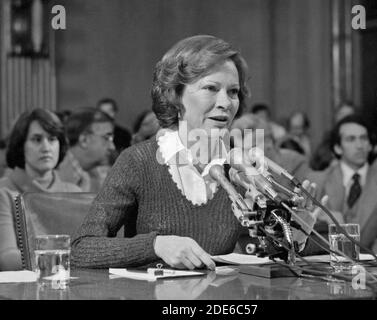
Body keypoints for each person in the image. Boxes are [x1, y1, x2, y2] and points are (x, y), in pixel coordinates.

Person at [71, 35, 324, 270]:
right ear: (175, 95)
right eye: (211, 88)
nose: (226, 102)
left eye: (233, 92)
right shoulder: (138, 161)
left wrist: (295, 235)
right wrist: (156, 245)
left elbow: (260, 251)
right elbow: (80, 249)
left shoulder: (240, 166)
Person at [310, 114, 377, 253]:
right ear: (337, 148)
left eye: (364, 138)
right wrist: (320, 217)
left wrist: (366, 268)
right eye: (351, 139)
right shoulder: (317, 181)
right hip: (323, 267)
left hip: (371, 268)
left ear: (370, 145)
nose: (359, 145)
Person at [0, 109, 81, 271]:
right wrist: (59, 259)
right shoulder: (4, 192)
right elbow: (6, 259)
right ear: (21, 145)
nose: (46, 147)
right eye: (37, 139)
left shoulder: (75, 192)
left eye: (52, 139)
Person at [57, 107, 116, 193]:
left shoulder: (97, 173)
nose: (112, 147)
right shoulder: (57, 177)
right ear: (84, 140)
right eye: (106, 138)